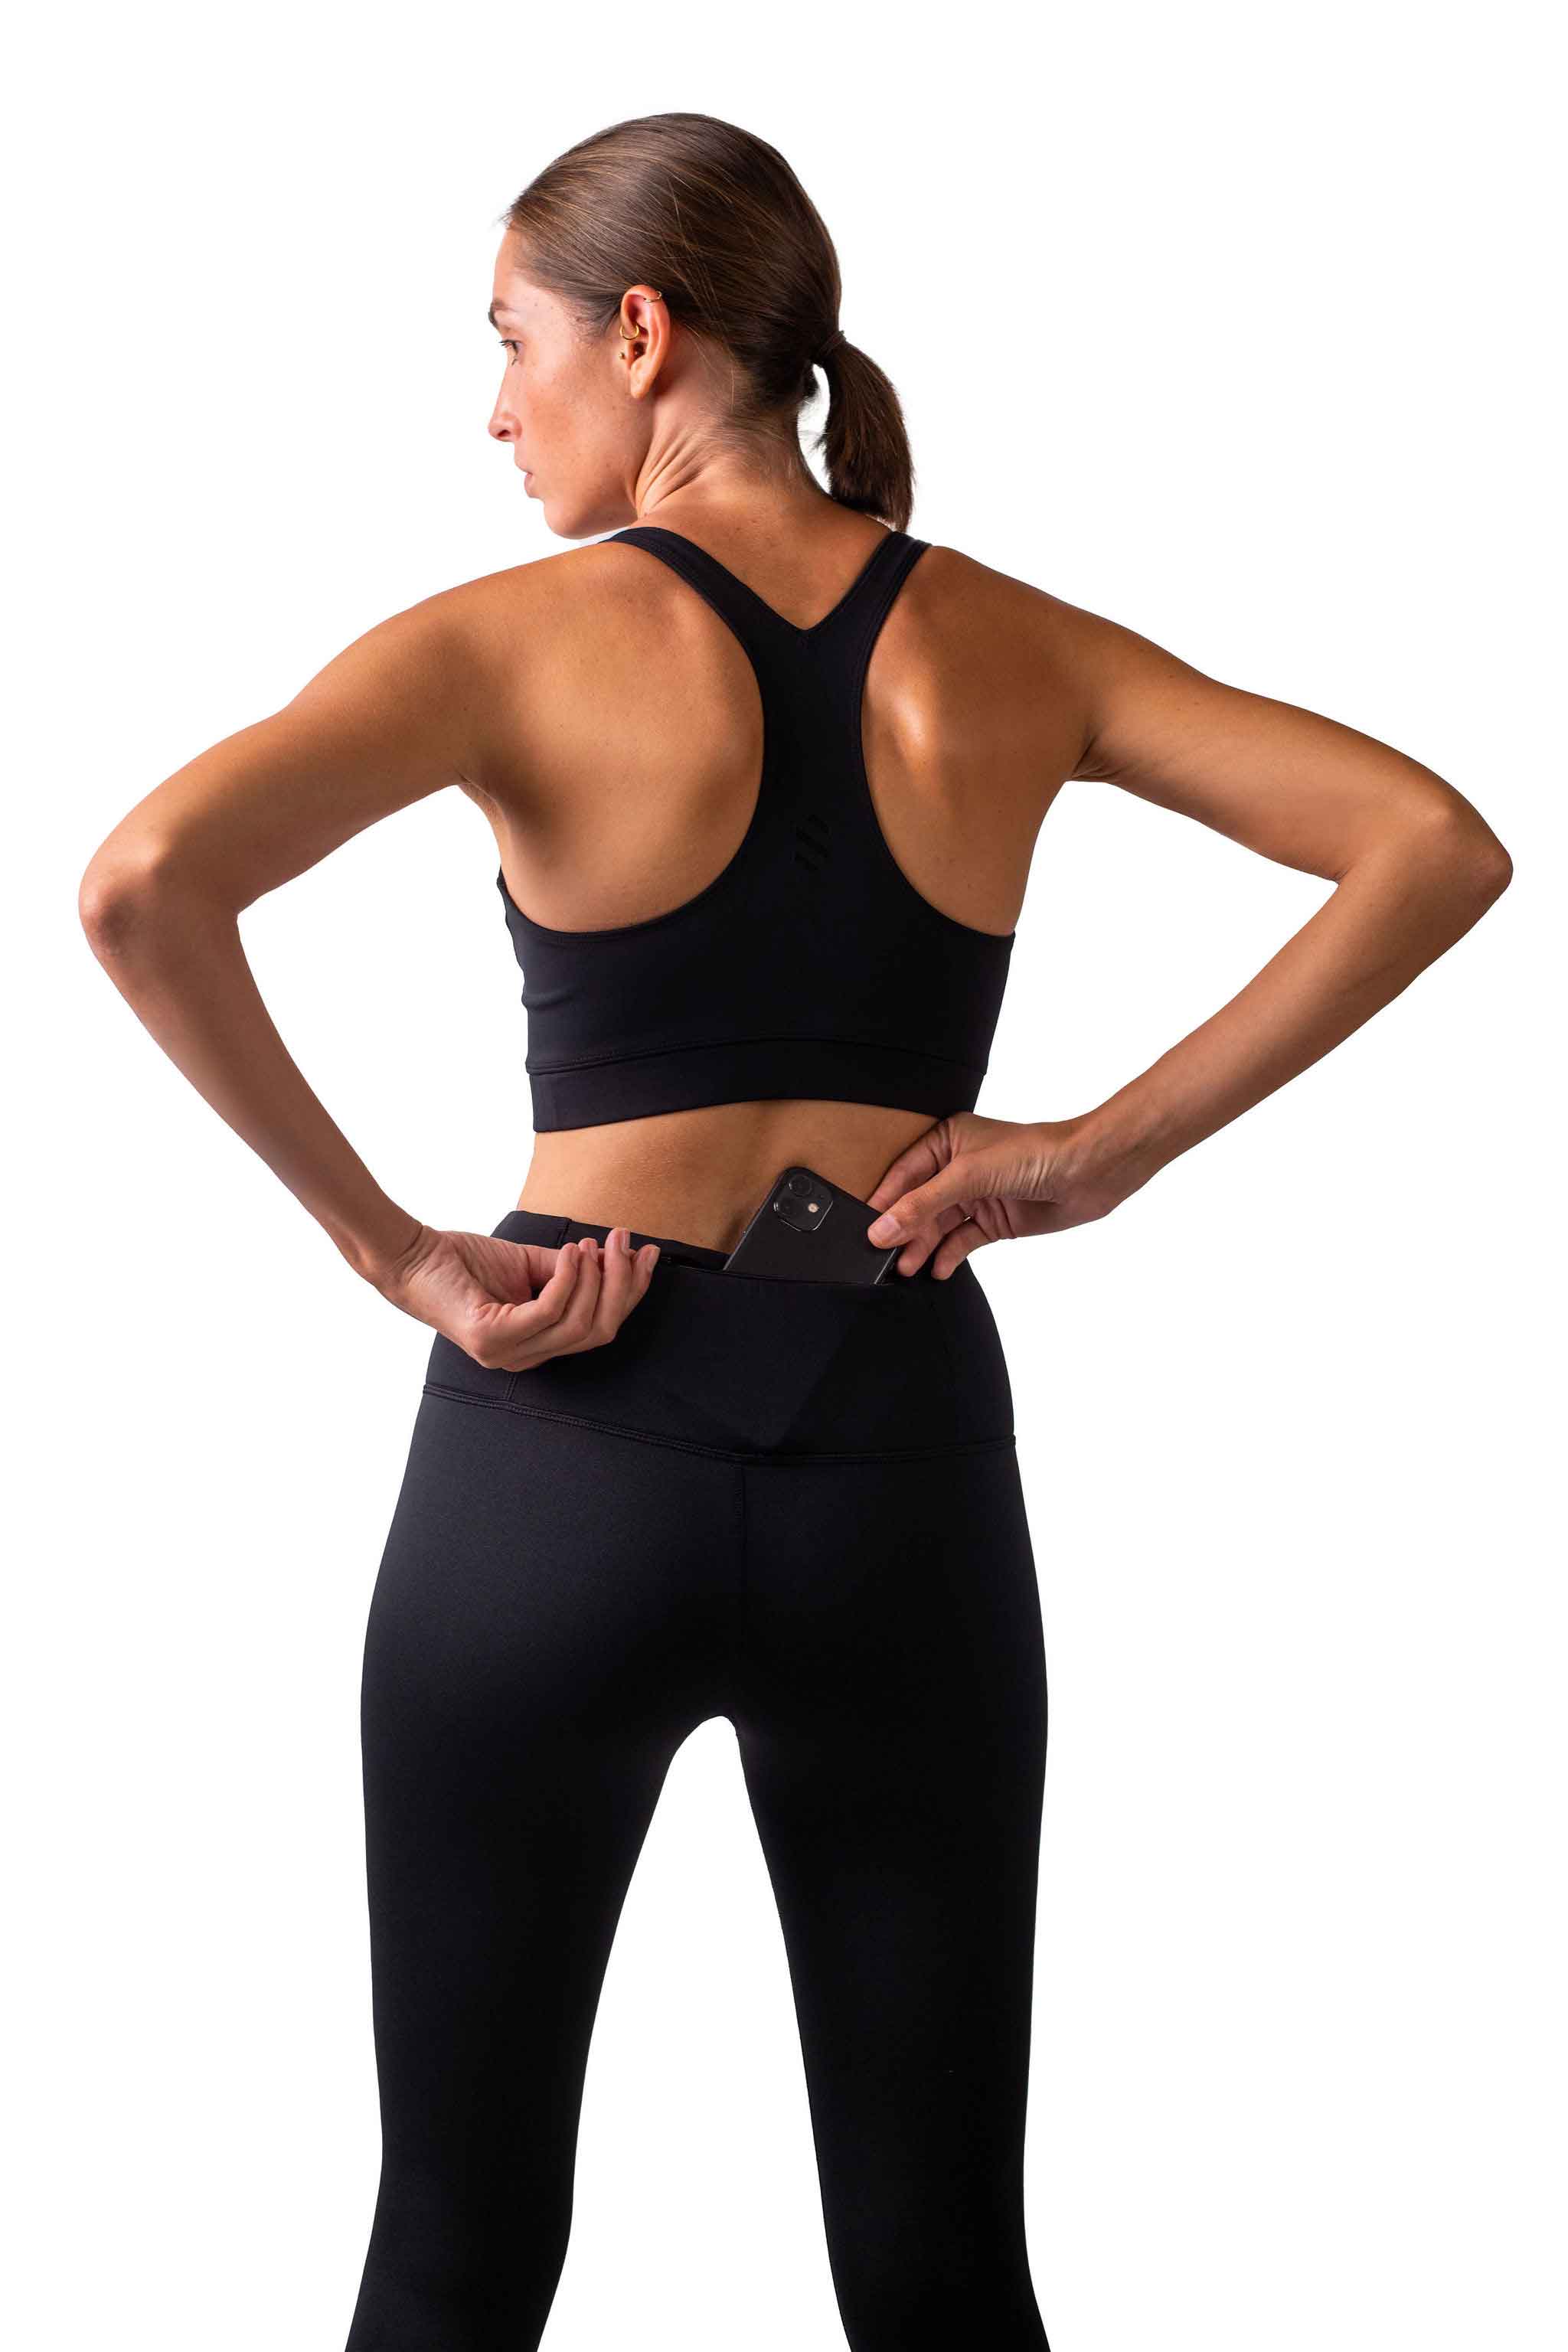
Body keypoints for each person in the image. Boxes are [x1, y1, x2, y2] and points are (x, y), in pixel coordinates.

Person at [78, 109, 1511, 2352]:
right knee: (942, 2274)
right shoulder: (1012, 644)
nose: (494, 408)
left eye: (511, 340)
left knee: (456, 2251)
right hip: (895, 1444)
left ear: (642, 334)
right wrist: (1096, 1154)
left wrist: (396, 1255)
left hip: (556, 1441)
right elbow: (1431, 840)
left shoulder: (503, 643)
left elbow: (143, 884)